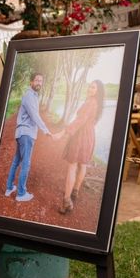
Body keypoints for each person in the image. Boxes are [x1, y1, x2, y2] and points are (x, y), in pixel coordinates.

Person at [5, 72, 56, 202]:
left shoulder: (33, 96)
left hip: (23, 133)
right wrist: (45, 130)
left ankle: (9, 187)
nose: (39, 83)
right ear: (31, 82)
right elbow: (34, 115)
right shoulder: (29, 96)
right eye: (37, 80)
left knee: (17, 161)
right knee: (25, 163)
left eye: (41, 81)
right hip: (26, 134)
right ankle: (21, 193)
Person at [59, 80, 105, 214]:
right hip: (90, 135)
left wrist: (65, 131)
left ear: (98, 91)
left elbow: (79, 121)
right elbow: (90, 121)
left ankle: (67, 201)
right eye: (89, 86)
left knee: (72, 166)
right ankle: (75, 192)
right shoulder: (97, 103)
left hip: (81, 136)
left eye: (93, 87)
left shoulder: (90, 103)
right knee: (82, 165)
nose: (90, 89)